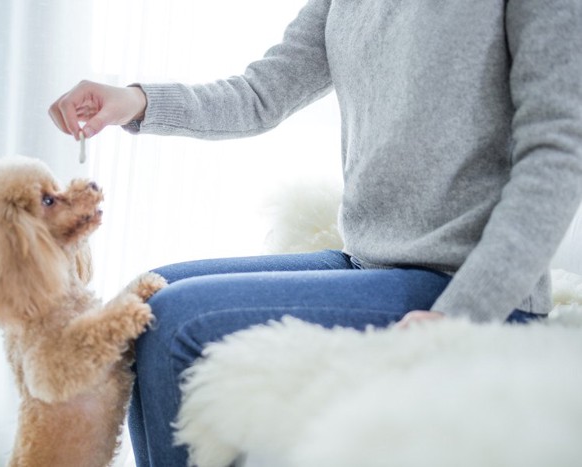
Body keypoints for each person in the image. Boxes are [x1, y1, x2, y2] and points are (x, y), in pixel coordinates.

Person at [49, 1, 582, 465]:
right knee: (151, 290)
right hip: (371, 262)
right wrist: (136, 101)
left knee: (170, 319)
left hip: (460, 284)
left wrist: (461, 314)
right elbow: (259, 94)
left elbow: (559, 156)